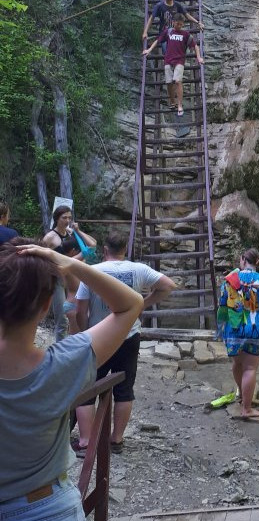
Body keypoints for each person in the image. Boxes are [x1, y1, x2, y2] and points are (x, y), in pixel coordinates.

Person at [0, 238, 143, 519]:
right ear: (45, 307)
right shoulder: (63, 363)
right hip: (47, 508)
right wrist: (72, 265)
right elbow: (130, 304)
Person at [75, 232, 175, 456]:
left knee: (87, 388)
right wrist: (141, 304)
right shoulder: (138, 269)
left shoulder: (93, 271)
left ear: (105, 250)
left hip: (97, 338)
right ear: (125, 249)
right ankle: (116, 440)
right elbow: (168, 285)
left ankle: (85, 442)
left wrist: (85, 333)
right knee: (124, 388)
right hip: (128, 336)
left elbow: (80, 310)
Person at [217, 248, 259, 419]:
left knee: (238, 364)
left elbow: (223, 305)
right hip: (256, 328)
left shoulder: (229, 281)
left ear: (243, 260)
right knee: (250, 368)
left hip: (234, 329)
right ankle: (247, 409)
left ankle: (242, 396)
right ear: (257, 262)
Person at [43, 206, 98, 341]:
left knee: (77, 314)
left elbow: (92, 244)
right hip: (57, 278)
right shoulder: (50, 237)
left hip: (73, 277)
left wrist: (78, 231)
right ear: (57, 218)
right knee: (61, 318)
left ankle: (74, 344)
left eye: (69, 217)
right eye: (64, 217)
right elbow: (42, 258)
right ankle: (59, 349)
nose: (67, 220)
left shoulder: (71, 233)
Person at [143, 11, 204, 116]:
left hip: (179, 61)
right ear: (173, 22)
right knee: (168, 82)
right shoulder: (168, 31)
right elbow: (158, 41)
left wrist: (199, 57)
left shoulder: (186, 34)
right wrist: (148, 50)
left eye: (181, 24)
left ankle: (180, 105)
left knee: (177, 81)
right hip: (168, 60)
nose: (179, 26)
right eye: (177, 24)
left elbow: (195, 46)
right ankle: (172, 101)